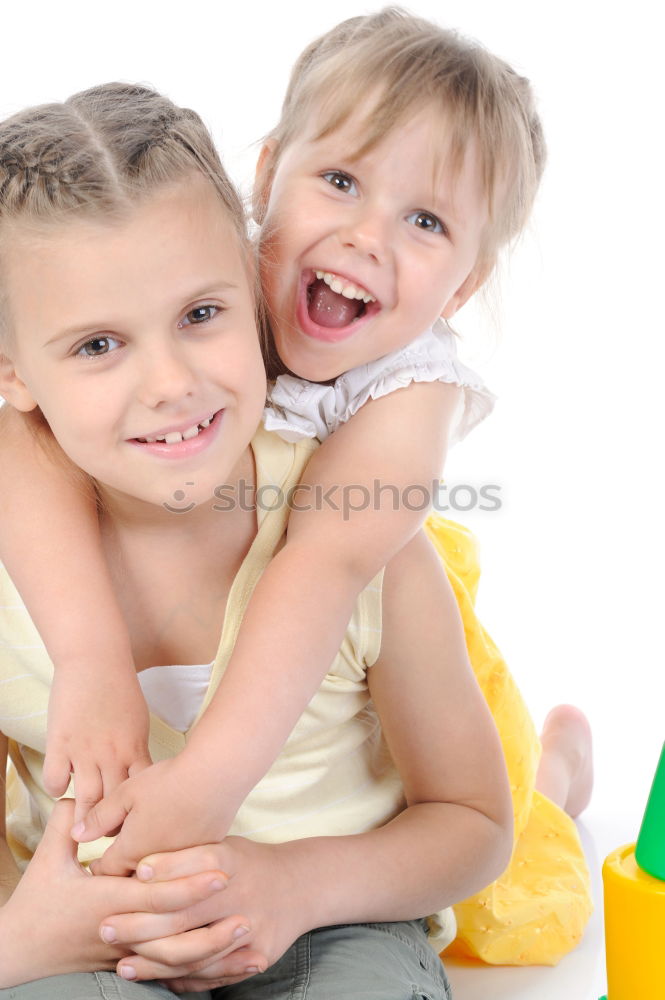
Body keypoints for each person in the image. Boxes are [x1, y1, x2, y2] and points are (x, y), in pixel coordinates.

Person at [0, 9, 593, 967]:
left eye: (426, 221)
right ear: (266, 179)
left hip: (357, 559)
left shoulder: (412, 396)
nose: (365, 238)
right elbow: (16, 442)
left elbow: (319, 571)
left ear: (463, 287)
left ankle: (558, 780)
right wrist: (90, 663)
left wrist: (205, 786)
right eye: (342, 181)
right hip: (260, 572)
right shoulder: (186, 257)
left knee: (501, 788)